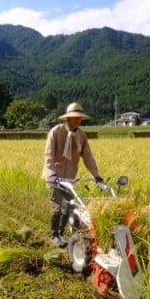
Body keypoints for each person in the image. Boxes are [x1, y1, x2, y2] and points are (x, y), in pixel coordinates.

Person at [41, 102, 103, 247]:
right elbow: (48, 156)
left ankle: (62, 233)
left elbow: (88, 157)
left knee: (70, 206)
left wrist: (97, 176)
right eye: (75, 117)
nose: (78, 120)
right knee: (57, 206)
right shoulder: (56, 132)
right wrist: (52, 175)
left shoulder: (81, 136)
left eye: (80, 118)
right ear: (68, 118)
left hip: (69, 178)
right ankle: (54, 234)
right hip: (53, 177)